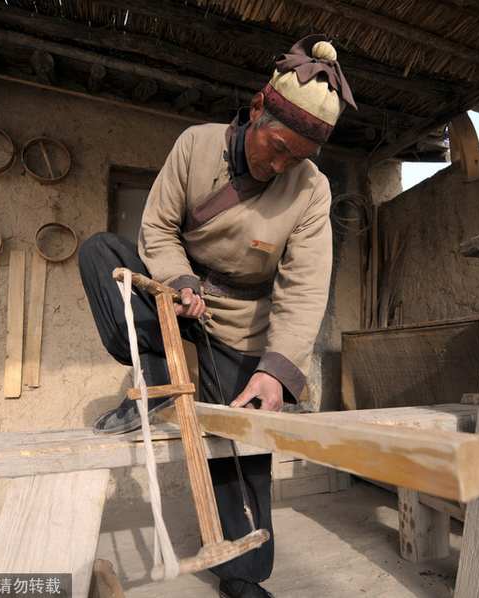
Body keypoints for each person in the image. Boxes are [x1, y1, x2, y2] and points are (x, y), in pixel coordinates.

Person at [78, 34, 355, 598]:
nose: (279, 165)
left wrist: (275, 371)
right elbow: (156, 229)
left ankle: (244, 577)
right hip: (174, 300)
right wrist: (178, 281)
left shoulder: (312, 192)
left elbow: (304, 288)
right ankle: (156, 376)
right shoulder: (196, 146)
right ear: (257, 109)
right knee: (102, 254)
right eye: (275, 146)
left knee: (239, 452)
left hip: (238, 325)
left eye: (295, 158)